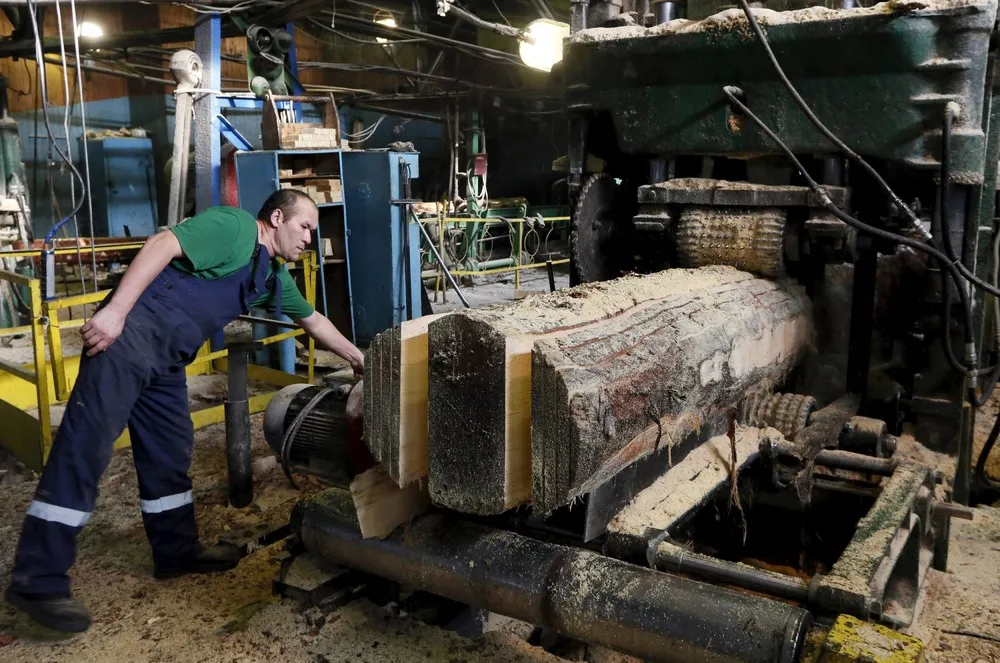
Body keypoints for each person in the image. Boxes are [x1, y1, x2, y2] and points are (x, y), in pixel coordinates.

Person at [4, 189, 365, 634]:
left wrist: (360, 358)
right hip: (128, 341)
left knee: (170, 453)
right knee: (84, 450)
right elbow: (161, 245)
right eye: (306, 226)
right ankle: (37, 580)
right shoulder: (234, 228)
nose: (310, 238)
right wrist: (115, 311)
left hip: (167, 361)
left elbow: (313, 321)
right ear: (276, 218)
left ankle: (175, 553)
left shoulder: (270, 275)